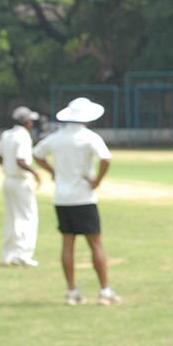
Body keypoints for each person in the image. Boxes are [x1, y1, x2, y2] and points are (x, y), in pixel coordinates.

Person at [33, 97, 121, 306]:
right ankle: (104, 290)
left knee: (67, 244)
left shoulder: (56, 137)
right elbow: (106, 159)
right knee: (95, 244)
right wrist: (97, 181)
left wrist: (52, 171)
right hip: (84, 197)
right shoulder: (89, 137)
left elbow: (37, 155)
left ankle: (72, 291)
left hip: (62, 198)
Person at [0, 106, 42, 267]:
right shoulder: (23, 136)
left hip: (8, 180)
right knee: (28, 217)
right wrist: (35, 173)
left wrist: (7, 167)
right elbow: (21, 161)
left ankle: (9, 254)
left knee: (12, 218)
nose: (32, 124)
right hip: (21, 181)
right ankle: (24, 254)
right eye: (31, 121)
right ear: (26, 122)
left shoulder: (7, 134)